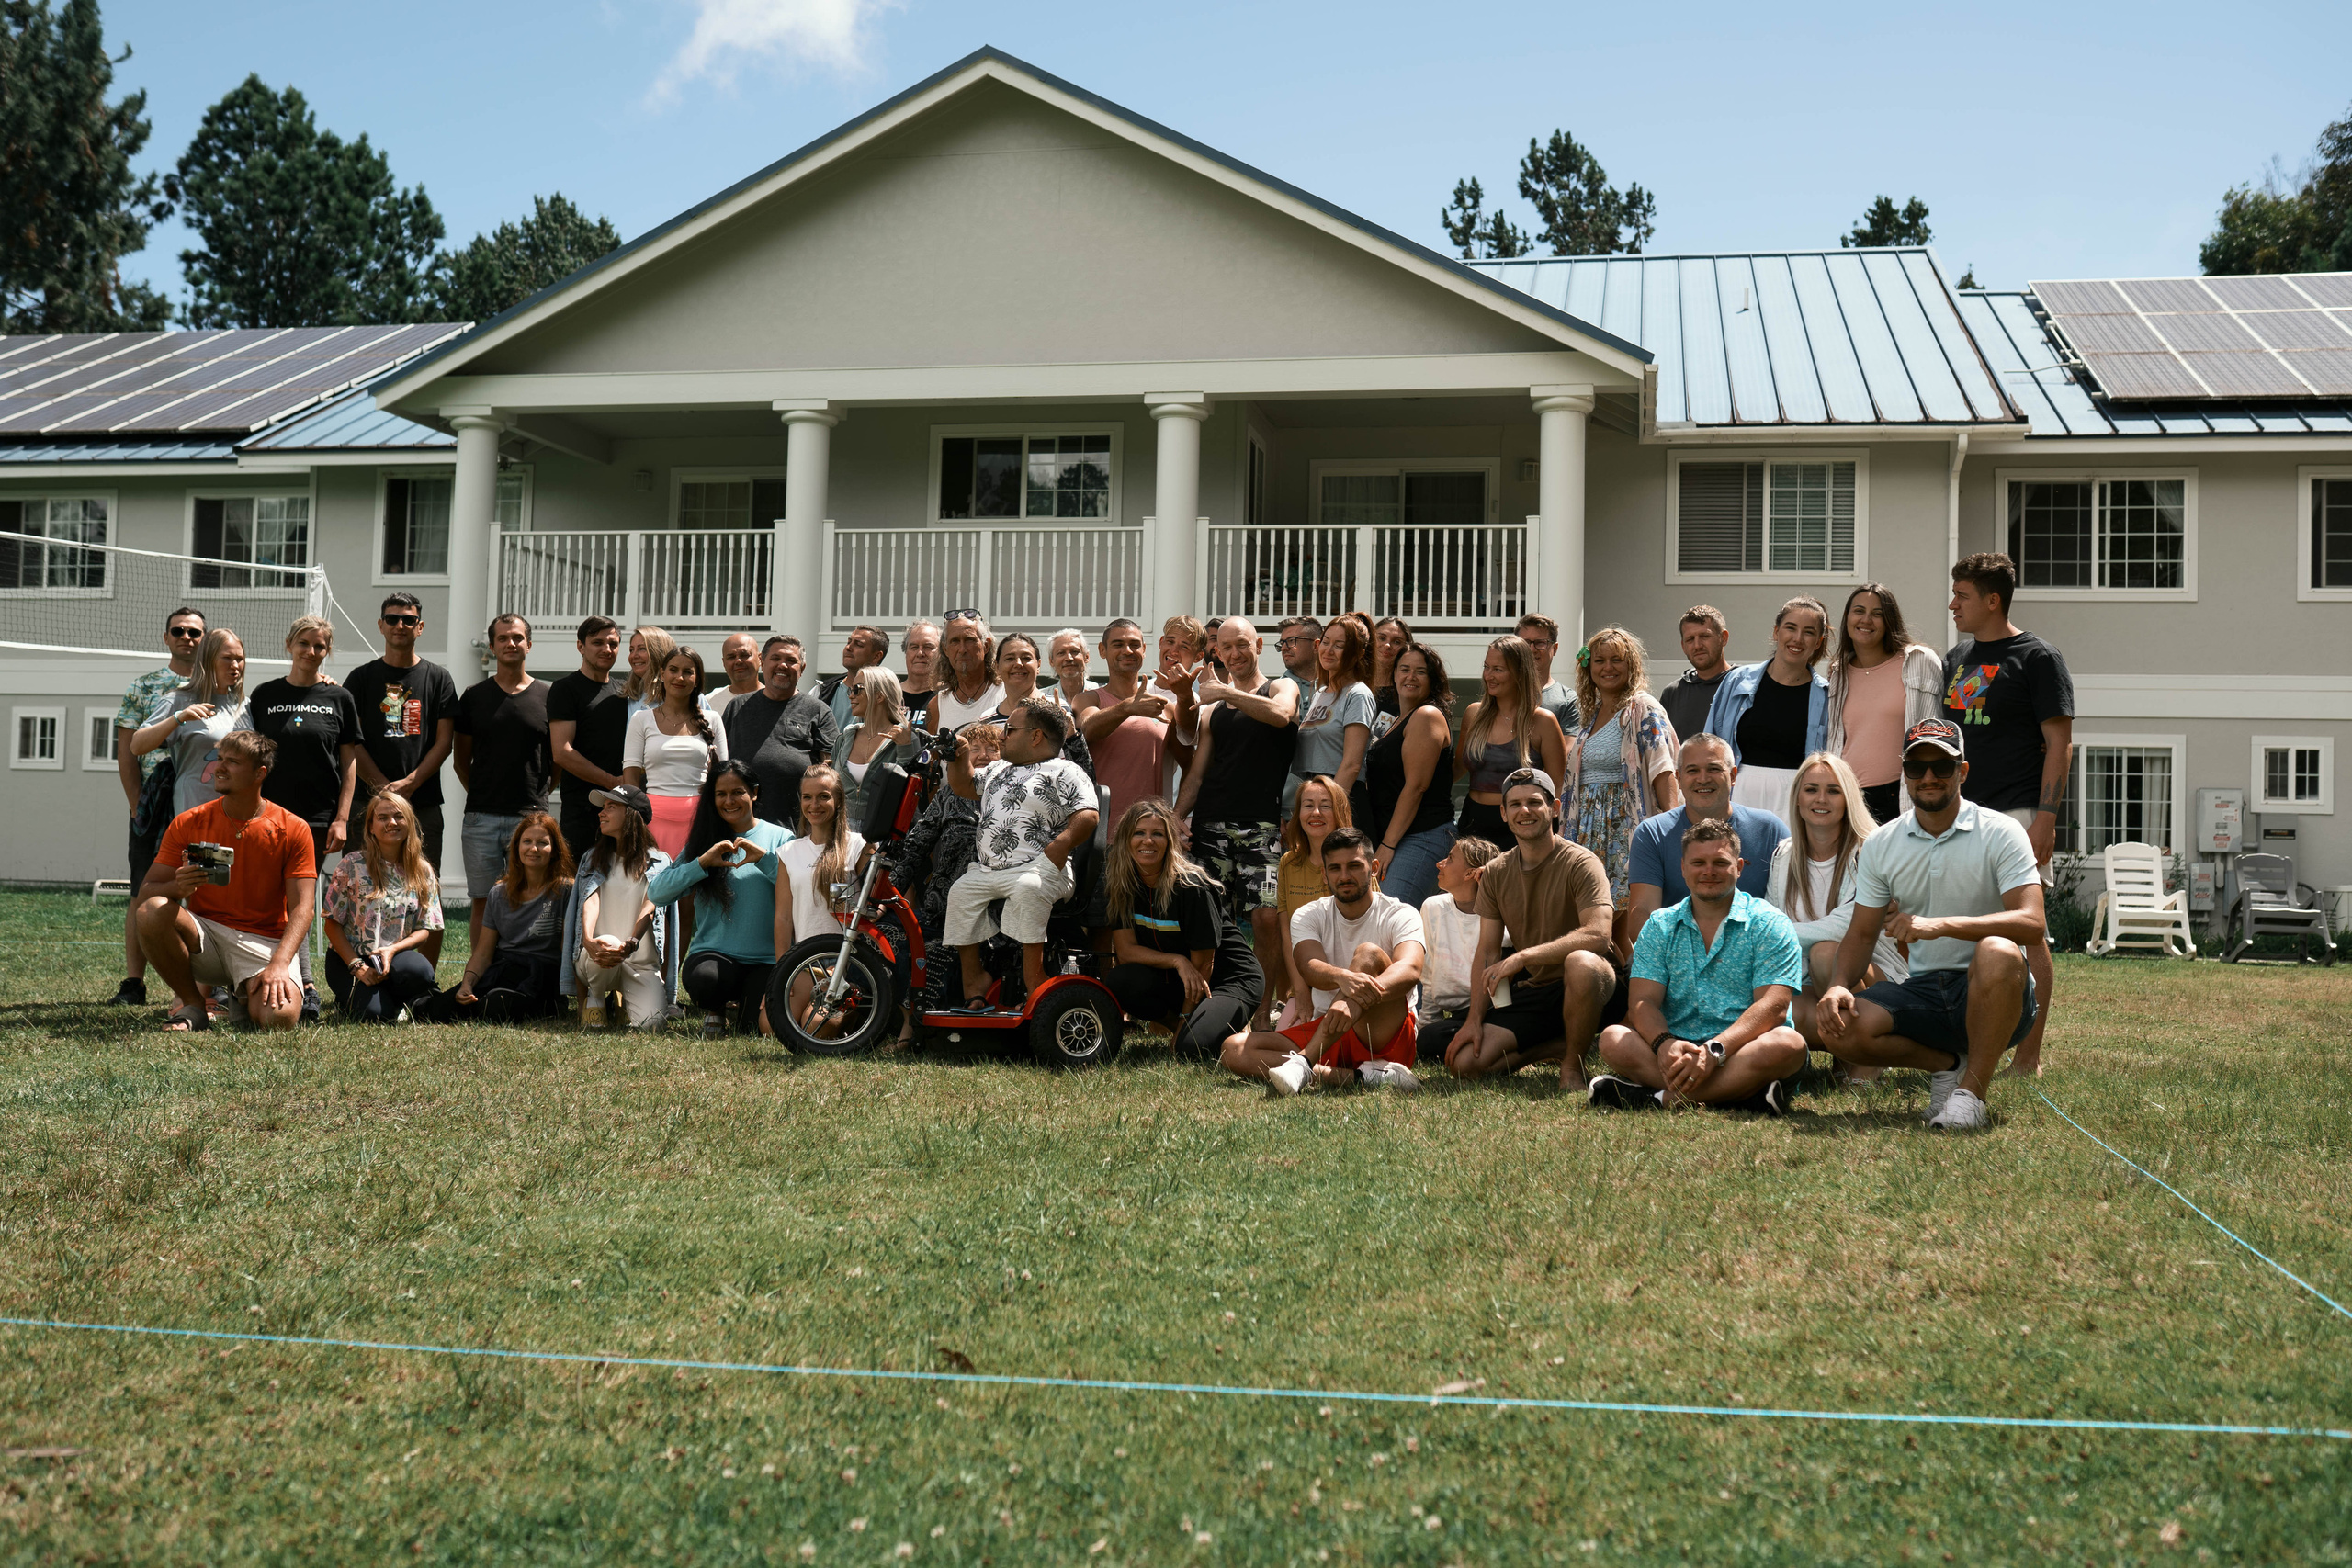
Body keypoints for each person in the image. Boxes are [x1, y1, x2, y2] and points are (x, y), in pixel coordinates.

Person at [1815, 719, 2047, 1131]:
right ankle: (1949, 1066)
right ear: (1903, 773)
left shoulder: (2002, 832)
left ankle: (1971, 1095)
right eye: (1916, 766)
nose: (1928, 777)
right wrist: (1836, 985)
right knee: (1840, 1031)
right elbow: (1862, 933)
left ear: (1963, 772)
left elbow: (2031, 923)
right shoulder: (1883, 844)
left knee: (1997, 950)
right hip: (1924, 991)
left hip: (1995, 991)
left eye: (1942, 766)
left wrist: (1939, 926)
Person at [1941, 551, 2072, 1080]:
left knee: (2027, 934)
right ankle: (1973, 1044)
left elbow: (2059, 743)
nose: (1953, 604)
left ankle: (2028, 1056)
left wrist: (2045, 816)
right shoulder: (1957, 658)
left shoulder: (2037, 657)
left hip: (2018, 813)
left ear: (1992, 600)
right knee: (1971, 929)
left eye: (1962, 595)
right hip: (1961, 814)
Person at [1588, 818, 1808, 1115]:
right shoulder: (1660, 925)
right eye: (1698, 862)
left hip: (1744, 1049)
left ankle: (1661, 1099)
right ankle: (1742, 1097)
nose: (1708, 871)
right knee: (1613, 1039)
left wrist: (1715, 1051)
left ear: (1739, 867)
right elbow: (1642, 1000)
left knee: (1788, 1044)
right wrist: (1664, 1044)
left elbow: (1774, 1006)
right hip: (1677, 1052)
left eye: (1720, 862)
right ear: (1682, 868)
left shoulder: (1770, 923)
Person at [1447, 768, 1623, 1089]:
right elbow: (1487, 951)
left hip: (1596, 985)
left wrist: (1523, 957)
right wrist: (1474, 1020)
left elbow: (1599, 935)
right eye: (1514, 804)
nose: (1524, 811)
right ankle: (1553, 1046)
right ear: (1503, 813)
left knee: (1580, 963)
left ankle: (1572, 1067)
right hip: (1539, 989)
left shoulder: (1582, 862)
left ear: (1554, 808)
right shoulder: (1497, 872)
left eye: (1534, 802)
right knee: (1465, 1064)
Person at [1218, 828, 1426, 1094]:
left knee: (1369, 954)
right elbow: (1309, 966)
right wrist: (1343, 978)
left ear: (1373, 868)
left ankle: (1304, 1063)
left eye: (1354, 866)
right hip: (1328, 1028)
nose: (1344, 876)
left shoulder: (1401, 912)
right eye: (1335, 868)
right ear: (1324, 873)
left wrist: (1357, 998)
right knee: (1234, 1049)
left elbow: (1410, 968)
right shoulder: (1309, 914)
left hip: (1384, 1030)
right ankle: (1362, 1078)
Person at [134, 729, 315, 1032]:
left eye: (232, 761)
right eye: (219, 759)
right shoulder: (189, 822)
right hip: (206, 938)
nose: (219, 767)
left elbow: (303, 909)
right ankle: (194, 1005)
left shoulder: (292, 828)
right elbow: (147, 892)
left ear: (260, 773)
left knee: (277, 1020)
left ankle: (245, 994)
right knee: (151, 910)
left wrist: (280, 964)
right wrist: (177, 887)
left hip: (264, 941)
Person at [1173, 617, 1301, 999]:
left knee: (1264, 917)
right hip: (1211, 822)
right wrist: (1176, 818)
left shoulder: (1282, 685)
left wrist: (1223, 693)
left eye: (1242, 644)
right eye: (1225, 647)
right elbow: (1197, 774)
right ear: (1218, 652)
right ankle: (1208, 1003)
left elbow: (1281, 715)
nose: (1234, 653)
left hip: (1261, 824)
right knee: (1210, 920)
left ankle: (1261, 1010)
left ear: (1259, 645)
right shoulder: (1214, 708)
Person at [944, 700, 1098, 1009]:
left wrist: (1062, 843)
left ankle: (1034, 980)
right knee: (959, 892)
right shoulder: (998, 768)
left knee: (1029, 889)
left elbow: (1088, 815)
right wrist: (958, 756)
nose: (1001, 736)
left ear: (1036, 736)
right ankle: (974, 980)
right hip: (988, 872)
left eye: (1009, 730)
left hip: (1042, 869)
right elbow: (963, 785)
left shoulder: (1066, 769)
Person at [1102, 797, 1265, 1058]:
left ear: (1170, 841)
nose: (1148, 841)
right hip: (1181, 975)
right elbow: (1126, 951)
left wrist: (1186, 1019)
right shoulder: (1121, 884)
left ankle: (1215, 1022)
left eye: (1158, 834)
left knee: (1189, 1049)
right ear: (1125, 840)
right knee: (1121, 981)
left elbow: (1203, 965)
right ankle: (1188, 1026)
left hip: (1227, 979)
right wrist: (1177, 960)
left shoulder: (1192, 886)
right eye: (1139, 833)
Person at [1764, 752, 1902, 1059]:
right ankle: (1845, 1053)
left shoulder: (1869, 850)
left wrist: (1769, 936)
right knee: (1777, 1007)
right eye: (1811, 789)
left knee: (1826, 953)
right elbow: (1774, 915)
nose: (1821, 799)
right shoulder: (1783, 855)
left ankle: (1866, 1060)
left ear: (1849, 798)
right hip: (1807, 974)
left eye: (1834, 790)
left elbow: (1848, 926)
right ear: (1797, 797)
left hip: (1876, 976)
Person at [650, 760, 791, 1036]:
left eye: (737, 792)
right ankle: (714, 1009)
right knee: (706, 981)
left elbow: (801, 890)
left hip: (766, 961)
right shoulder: (704, 841)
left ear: (755, 793)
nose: (729, 801)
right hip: (714, 958)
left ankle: (743, 1009)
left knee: (753, 1029)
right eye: (720, 794)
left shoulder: (781, 837)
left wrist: (764, 860)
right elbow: (658, 892)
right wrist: (701, 863)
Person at [108, 606, 205, 1008]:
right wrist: (136, 806)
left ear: (205, 638)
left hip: (196, 803)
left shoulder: (213, 682)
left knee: (199, 887)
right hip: (152, 804)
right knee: (142, 890)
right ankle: (134, 983)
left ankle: (200, 985)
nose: (187, 637)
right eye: (178, 631)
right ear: (166, 637)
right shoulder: (144, 687)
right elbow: (127, 753)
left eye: (195, 632)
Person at [1624, 734, 1788, 952]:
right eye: (1693, 771)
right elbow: (1641, 913)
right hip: (1671, 953)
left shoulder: (1769, 829)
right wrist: (1688, 957)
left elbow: (1789, 907)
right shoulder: (1653, 833)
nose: (1703, 779)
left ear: (1732, 776)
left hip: (1753, 953)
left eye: (1713, 769)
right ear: (1679, 778)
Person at [1561, 625, 1681, 914]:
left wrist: (1671, 828)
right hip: (1587, 832)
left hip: (1624, 830)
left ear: (1631, 666)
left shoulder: (1643, 708)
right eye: (1600, 661)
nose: (1608, 668)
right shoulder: (1591, 714)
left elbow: (1663, 769)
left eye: (1617, 660)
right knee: (1592, 913)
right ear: (1589, 667)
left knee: (1627, 913)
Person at [888, 721, 1001, 1021]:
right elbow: (915, 847)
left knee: (939, 958)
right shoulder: (949, 796)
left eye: (993, 748)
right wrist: (886, 890)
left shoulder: (1011, 800)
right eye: (974, 748)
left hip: (993, 920)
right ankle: (897, 1022)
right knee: (890, 938)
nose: (983, 755)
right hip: (941, 911)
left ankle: (915, 1028)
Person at [454, 614, 553, 953]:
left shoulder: (548, 696)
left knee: (530, 897)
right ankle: (480, 974)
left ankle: (525, 968)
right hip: (480, 818)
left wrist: (539, 796)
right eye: (503, 638)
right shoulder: (473, 696)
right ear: (492, 646)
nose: (511, 644)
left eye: (517, 638)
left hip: (531, 818)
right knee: (482, 901)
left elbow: (558, 763)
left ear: (529, 643)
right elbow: (459, 760)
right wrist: (483, 794)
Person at [416, 809, 573, 1023]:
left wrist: (563, 994)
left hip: (542, 974)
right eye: (527, 841)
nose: (533, 848)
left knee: (495, 1007)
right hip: (503, 968)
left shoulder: (566, 891)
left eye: (542, 843)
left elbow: (567, 951)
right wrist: (467, 984)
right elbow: (483, 954)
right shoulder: (499, 894)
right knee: (434, 1011)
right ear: (516, 848)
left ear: (555, 850)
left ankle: (540, 1006)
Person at [345, 592, 458, 874]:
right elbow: (350, 740)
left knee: (424, 884)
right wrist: (383, 788)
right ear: (381, 625)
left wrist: (410, 783)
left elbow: (445, 742)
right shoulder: (360, 678)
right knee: (360, 882)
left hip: (423, 802)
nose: (400, 625)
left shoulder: (439, 678)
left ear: (420, 627)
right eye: (393, 619)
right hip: (367, 801)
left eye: (409, 620)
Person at [1822, 582, 1943, 825]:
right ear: (1847, 618)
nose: (1866, 620)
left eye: (1877, 614)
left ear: (1890, 621)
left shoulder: (1918, 661)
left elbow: (1935, 736)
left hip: (1900, 798)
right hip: (1850, 798)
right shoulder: (1838, 673)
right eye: (1859, 611)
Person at [318, 791, 444, 1023]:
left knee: (422, 972)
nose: (392, 823)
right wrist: (357, 967)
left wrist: (392, 951)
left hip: (392, 959)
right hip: (349, 960)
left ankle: (385, 997)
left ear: (409, 823)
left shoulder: (422, 870)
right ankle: (353, 998)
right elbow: (332, 925)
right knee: (377, 1016)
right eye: (383, 817)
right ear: (371, 827)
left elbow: (425, 929)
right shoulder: (351, 865)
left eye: (399, 816)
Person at [248, 615, 363, 869]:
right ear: (289, 644)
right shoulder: (264, 695)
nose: (311, 652)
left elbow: (348, 762)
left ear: (327, 651)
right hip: (267, 813)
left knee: (301, 892)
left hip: (319, 817)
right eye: (303, 643)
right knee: (266, 892)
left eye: (320, 646)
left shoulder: (340, 697)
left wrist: (341, 819)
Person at [769, 763, 869, 1036]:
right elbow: (783, 917)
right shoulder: (789, 852)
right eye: (807, 797)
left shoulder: (858, 846)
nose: (815, 804)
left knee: (815, 1030)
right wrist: (783, 970)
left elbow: (879, 902)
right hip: (803, 964)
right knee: (770, 1027)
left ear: (838, 800)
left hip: (844, 964)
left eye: (824, 796)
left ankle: (853, 1013)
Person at [1706, 596, 1830, 814]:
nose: (1798, 638)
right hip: (1736, 800)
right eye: (1790, 628)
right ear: (1776, 632)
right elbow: (1710, 744)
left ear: (1818, 641)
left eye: (1809, 632)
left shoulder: (1827, 697)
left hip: (1794, 805)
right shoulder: (1736, 682)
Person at [566, 784, 674, 1030]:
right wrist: (588, 942)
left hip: (640, 963)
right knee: (608, 943)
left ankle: (623, 998)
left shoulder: (659, 862)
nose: (601, 813)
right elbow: (590, 901)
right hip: (596, 957)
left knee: (652, 1024)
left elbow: (651, 904)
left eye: (611, 807)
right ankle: (597, 997)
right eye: (603, 807)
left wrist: (632, 943)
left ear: (631, 815)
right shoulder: (593, 857)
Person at [1363, 642, 1457, 908]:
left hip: (1423, 835)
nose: (1410, 677)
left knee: (1389, 914)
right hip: (1397, 836)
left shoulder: (1426, 716)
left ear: (1432, 680)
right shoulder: (1395, 722)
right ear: (1393, 675)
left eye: (1420, 671)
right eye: (1404, 669)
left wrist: (1388, 846)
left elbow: (1415, 787)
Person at [1453, 635, 1568, 847]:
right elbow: (1456, 769)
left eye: (1498, 669)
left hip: (1523, 826)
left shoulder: (1543, 721)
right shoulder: (1474, 714)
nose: (1489, 676)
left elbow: (1557, 787)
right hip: (1473, 824)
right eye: (1487, 667)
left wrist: (1555, 839)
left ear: (1519, 673)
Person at [1077, 618, 1184, 834]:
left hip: (1150, 835)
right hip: (1100, 833)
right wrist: (1127, 708)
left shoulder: (1164, 708)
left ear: (1144, 650)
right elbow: (1087, 729)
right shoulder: (1088, 699)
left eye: (1135, 645)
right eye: (1118, 644)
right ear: (1102, 650)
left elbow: (1193, 765)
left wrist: (1177, 815)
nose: (1127, 650)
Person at [130, 626, 251, 818]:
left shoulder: (245, 705)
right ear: (208, 659)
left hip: (236, 812)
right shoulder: (179, 700)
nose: (235, 665)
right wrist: (179, 718)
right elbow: (137, 746)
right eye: (227, 658)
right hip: (194, 809)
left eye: (240, 658)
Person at [1272, 774, 1362, 1026]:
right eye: (1308, 805)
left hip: (1350, 980)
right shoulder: (1288, 863)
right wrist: (1300, 993)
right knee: (1285, 1040)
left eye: (1326, 805)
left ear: (1339, 812)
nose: (1316, 812)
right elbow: (1288, 933)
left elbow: (1370, 928)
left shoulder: (1356, 859)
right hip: (1307, 984)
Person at [726, 635, 839, 834]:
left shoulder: (818, 711)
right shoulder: (737, 707)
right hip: (739, 827)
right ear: (762, 662)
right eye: (776, 658)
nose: (782, 665)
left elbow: (830, 772)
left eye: (791, 661)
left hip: (797, 831)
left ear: (802, 669)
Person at [624, 644, 728, 858]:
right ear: (662, 674)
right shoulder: (641, 719)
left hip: (701, 820)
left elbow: (724, 776)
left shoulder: (713, 719)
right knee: (655, 887)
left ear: (697, 679)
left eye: (688, 672)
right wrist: (636, 823)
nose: (679, 677)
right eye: (673, 670)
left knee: (697, 888)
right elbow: (631, 778)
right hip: (651, 820)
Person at [548, 616, 628, 866]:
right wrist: (613, 783)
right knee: (573, 892)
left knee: (618, 890)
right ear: (580, 646)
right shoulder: (565, 689)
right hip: (580, 814)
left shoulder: (625, 692)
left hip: (623, 813)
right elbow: (562, 752)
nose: (607, 649)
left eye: (613, 644)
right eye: (597, 643)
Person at [1414, 835, 1501, 1065]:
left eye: (1450, 859)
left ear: (1470, 873)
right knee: (1428, 1040)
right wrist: (1426, 1026)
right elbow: (1430, 973)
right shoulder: (1433, 907)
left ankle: (1507, 1040)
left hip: (1498, 1011)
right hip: (1459, 1017)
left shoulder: (1501, 913)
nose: (1439, 863)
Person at [1287, 616, 1376, 818]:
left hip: (1343, 798)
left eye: (1339, 645)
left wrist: (1332, 811)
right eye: (1325, 642)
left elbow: (1352, 765)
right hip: (1313, 796)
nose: (1328, 650)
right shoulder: (1319, 693)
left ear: (1358, 653)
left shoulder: (1358, 693)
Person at [838, 664, 919, 829]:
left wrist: (904, 750)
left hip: (883, 835)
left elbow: (912, 794)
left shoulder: (906, 738)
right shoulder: (845, 737)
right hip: (843, 834)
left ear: (880, 696)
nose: (851, 695)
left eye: (857, 689)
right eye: (850, 690)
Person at [1659, 605, 1732, 747]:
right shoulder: (1672, 694)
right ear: (1683, 646)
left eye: (1705, 636)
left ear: (1723, 638)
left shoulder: (1743, 686)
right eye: (1690, 639)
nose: (1697, 645)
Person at [924, 611, 1005, 736]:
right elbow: (934, 755)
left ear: (986, 645)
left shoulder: (1007, 695)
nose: (962, 650)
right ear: (945, 649)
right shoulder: (937, 706)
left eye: (969, 640)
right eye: (954, 641)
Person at [1516, 613, 1581, 736]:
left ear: (1555, 648)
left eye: (1540, 643)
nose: (1532, 649)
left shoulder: (1568, 700)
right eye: (1525, 643)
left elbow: (1566, 751)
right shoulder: (1502, 690)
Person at [817, 625, 889, 733]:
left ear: (876, 656)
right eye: (848, 642)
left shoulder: (889, 696)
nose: (848, 648)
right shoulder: (821, 691)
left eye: (858, 644)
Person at [899, 618, 944, 722]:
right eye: (914, 647)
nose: (920, 653)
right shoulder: (890, 696)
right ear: (906, 653)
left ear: (941, 653)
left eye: (928, 647)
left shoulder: (948, 696)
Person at [1370, 615, 1411, 718]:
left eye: (1397, 642)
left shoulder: (1408, 689)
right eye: (1382, 638)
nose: (1387, 645)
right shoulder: (1354, 684)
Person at [1045, 628, 1095, 713]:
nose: (1069, 658)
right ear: (1051, 661)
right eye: (1061, 653)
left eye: (1075, 651)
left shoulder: (1102, 695)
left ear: (1086, 657)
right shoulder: (1042, 698)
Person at [718, 632, 763, 717]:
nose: (738, 661)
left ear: (760, 659)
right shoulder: (711, 702)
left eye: (744, 655)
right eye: (731, 657)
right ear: (724, 663)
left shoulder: (776, 698)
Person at [1274, 616, 1323, 692]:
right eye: (1282, 643)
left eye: (1291, 641)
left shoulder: (1339, 687)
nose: (1283, 648)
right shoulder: (1275, 690)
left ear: (1316, 646)